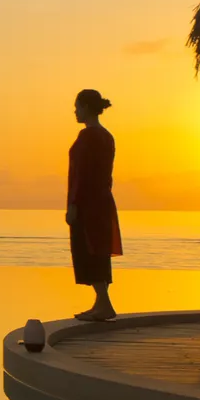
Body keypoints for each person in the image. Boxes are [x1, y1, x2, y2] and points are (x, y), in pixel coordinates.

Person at [66, 88, 121, 321]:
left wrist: (73, 204)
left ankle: (105, 304)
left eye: (77, 106)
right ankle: (100, 303)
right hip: (102, 200)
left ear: (87, 108)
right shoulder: (107, 136)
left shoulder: (88, 137)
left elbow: (82, 175)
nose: (75, 111)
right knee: (99, 251)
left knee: (90, 250)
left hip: (88, 203)